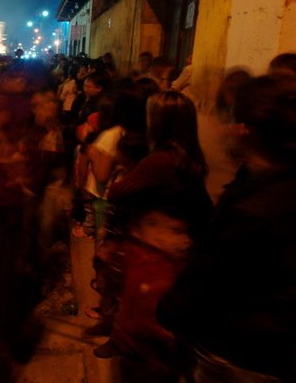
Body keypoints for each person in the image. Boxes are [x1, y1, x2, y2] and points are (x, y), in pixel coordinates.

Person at [159, 76, 296, 383]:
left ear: (244, 129)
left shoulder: (255, 208)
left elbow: (210, 280)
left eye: (232, 119)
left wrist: (169, 312)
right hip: (274, 348)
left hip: (237, 352)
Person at [98, 90, 213, 381]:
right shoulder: (189, 155)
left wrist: (124, 170)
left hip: (154, 255)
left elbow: (117, 192)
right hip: (175, 251)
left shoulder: (160, 160)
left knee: (144, 329)